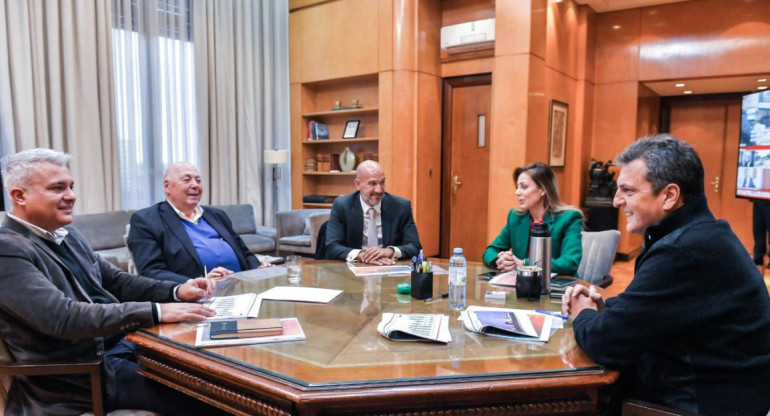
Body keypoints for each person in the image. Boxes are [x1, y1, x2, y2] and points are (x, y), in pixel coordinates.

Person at [0, 149, 224, 415]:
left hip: (126, 346)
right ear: (19, 196)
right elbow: (63, 317)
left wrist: (177, 291)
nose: (71, 196)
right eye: (57, 188)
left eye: (71, 186)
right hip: (86, 376)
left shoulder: (67, 234)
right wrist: (157, 311)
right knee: (215, 397)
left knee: (218, 371)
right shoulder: (8, 250)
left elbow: (117, 282)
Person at [562, 135, 770, 416]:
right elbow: (656, 307)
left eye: (628, 191)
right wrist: (606, 307)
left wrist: (583, 313)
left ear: (670, 195)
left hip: (691, 405)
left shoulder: (684, 250)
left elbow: (605, 344)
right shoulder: (701, 234)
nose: (616, 201)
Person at [128, 162, 271, 284]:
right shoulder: (146, 220)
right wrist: (199, 282)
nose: (195, 185)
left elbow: (244, 253)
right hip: (198, 298)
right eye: (187, 180)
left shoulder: (216, 215)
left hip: (244, 285)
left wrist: (258, 268)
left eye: (198, 180)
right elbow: (151, 272)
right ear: (167, 186)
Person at [482, 162, 583, 276]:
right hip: (521, 285)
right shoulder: (515, 217)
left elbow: (570, 262)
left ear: (543, 190)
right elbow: (490, 251)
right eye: (517, 187)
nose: (517, 192)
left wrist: (524, 264)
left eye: (524, 187)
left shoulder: (569, 218)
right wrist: (500, 260)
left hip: (558, 287)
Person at [325, 160, 421, 264]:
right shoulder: (342, 206)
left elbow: (414, 246)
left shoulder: (401, 206)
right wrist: (362, 255)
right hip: (354, 267)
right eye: (372, 183)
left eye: (382, 182)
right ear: (358, 184)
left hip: (388, 267)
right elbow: (332, 246)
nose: (379, 190)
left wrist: (389, 251)